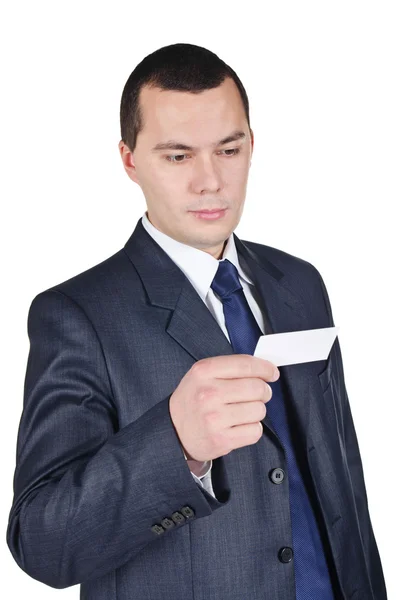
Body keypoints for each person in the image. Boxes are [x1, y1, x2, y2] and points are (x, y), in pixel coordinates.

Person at [6, 42, 387, 600]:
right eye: (178, 156)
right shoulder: (77, 315)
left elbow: (345, 490)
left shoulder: (301, 283)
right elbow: (41, 543)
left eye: (228, 150)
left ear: (251, 146)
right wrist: (175, 445)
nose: (210, 181)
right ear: (130, 160)